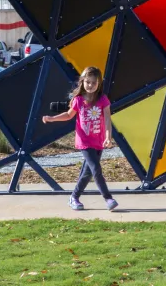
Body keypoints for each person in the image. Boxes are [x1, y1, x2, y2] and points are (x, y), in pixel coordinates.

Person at [42, 66, 118, 211]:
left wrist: (108, 137)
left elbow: (107, 119)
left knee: (87, 173)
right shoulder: (78, 100)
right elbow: (68, 115)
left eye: (94, 83)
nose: (90, 85)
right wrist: (52, 118)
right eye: (88, 82)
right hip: (85, 141)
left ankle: (74, 197)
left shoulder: (103, 99)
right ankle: (108, 198)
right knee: (96, 169)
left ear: (99, 84)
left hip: (98, 141)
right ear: (82, 82)